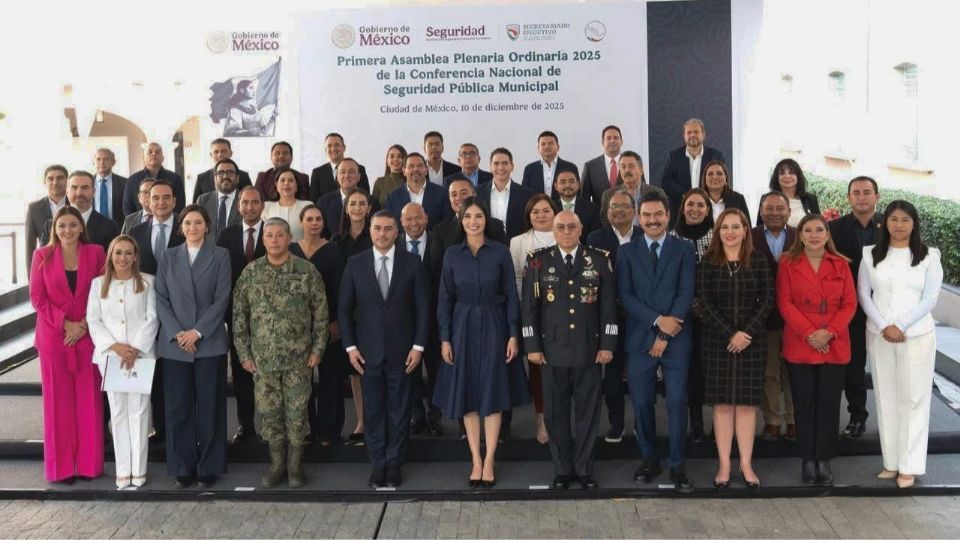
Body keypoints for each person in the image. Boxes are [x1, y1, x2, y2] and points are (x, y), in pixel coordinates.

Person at [434, 197, 531, 488]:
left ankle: (490, 461)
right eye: (467, 217)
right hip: (461, 326)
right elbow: (444, 298)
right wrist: (444, 338)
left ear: (485, 220)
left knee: (493, 391)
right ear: (460, 220)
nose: (473, 221)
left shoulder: (500, 253)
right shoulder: (452, 253)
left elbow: (512, 297)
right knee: (468, 395)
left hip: (495, 323)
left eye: (478, 216)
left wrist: (514, 334)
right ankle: (475, 459)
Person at [521, 210, 617, 490]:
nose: (565, 231)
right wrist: (532, 346)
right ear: (553, 229)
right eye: (560, 227)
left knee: (588, 413)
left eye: (570, 227)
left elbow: (608, 307)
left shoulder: (599, 260)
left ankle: (585, 469)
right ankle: (562, 469)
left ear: (580, 229)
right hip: (551, 351)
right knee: (555, 413)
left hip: (589, 350)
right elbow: (529, 309)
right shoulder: (537, 261)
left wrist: (607, 345)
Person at [233, 217, 328, 488]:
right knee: (270, 414)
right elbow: (240, 317)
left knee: (297, 415)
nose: (274, 240)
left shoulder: (306, 271)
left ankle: (295, 466)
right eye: (269, 235)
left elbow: (320, 315)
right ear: (263, 240)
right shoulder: (251, 273)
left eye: (279, 235)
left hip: (299, 359)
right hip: (263, 361)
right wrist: (244, 354)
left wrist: (317, 349)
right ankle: (276, 465)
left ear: (289, 239)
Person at [339, 210, 430, 488]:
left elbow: (424, 309)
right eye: (377, 228)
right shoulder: (355, 264)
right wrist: (350, 347)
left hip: (404, 353)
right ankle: (378, 463)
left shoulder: (412, 263)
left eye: (388, 229)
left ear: (396, 232)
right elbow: (343, 309)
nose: (382, 233)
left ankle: (394, 462)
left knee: (399, 410)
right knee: (374, 411)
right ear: (370, 231)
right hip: (367, 354)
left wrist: (418, 346)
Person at [858, 200, 942, 489]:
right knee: (885, 397)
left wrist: (901, 325)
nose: (899, 225)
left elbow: (930, 298)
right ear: (885, 223)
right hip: (880, 335)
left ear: (914, 223)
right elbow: (864, 295)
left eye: (905, 219)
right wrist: (885, 326)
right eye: (894, 219)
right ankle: (891, 462)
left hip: (916, 336)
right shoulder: (870, 254)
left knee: (914, 399)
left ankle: (910, 465)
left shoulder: (930, 256)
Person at [617, 191, 697, 492]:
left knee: (677, 402)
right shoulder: (626, 252)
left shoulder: (684, 249)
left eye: (658, 215)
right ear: (639, 217)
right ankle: (650, 458)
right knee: (641, 402)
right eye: (646, 215)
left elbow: (686, 292)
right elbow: (625, 296)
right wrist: (655, 323)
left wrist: (665, 332)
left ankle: (677, 463)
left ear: (667, 215)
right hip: (640, 338)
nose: (652, 220)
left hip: (676, 338)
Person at [153, 205, 231, 489]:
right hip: (175, 345)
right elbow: (160, 298)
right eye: (188, 223)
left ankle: (208, 465)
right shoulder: (168, 256)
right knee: (178, 408)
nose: (193, 227)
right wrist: (178, 333)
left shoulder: (220, 255)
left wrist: (197, 332)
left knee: (210, 407)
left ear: (207, 226)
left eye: (198, 222)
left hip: (208, 342)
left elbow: (222, 298)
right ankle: (183, 466)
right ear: (180, 227)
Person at [696, 209, 773, 490]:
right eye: (724, 227)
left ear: (745, 230)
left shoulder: (759, 261)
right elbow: (703, 303)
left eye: (736, 226)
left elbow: (767, 300)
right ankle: (725, 465)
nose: (730, 232)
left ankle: (746, 464)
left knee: (746, 405)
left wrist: (746, 333)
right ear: (718, 232)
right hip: (718, 342)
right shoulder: (707, 262)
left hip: (752, 343)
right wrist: (730, 333)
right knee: (723, 405)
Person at [777, 214, 856, 485]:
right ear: (799, 235)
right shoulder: (787, 263)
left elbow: (850, 304)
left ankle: (823, 458)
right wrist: (810, 333)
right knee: (805, 403)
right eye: (807, 230)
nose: (813, 235)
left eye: (819, 230)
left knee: (829, 404)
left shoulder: (841, 265)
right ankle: (807, 459)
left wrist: (828, 333)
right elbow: (785, 303)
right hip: (802, 341)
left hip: (834, 343)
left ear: (827, 235)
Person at [29, 206, 107, 484]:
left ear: (81, 227)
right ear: (54, 229)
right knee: (57, 404)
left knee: (89, 401)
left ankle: (88, 465)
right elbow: (37, 297)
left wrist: (83, 324)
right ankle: (60, 468)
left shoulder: (96, 252)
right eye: (62, 226)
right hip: (54, 338)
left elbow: (103, 291)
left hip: (88, 335)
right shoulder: (42, 256)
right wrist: (66, 324)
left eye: (73, 225)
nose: (67, 230)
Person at [86, 235, 158, 489]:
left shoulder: (148, 282)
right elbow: (93, 320)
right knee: (117, 413)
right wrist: (116, 347)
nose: (123, 258)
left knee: (139, 412)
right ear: (110, 255)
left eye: (128, 253)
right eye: (118, 253)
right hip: (111, 358)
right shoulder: (97, 285)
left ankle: (139, 471)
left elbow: (152, 319)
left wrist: (135, 348)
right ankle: (123, 470)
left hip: (140, 357)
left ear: (136, 256)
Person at [829, 175, 883, 439]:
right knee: (853, 366)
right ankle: (857, 416)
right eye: (856, 192)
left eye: (867, 192)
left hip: (885, 308)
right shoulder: (834, 228)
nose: (862, 197)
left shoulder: (890, 226)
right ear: (849, 197)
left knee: (886, 366)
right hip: (847, 308)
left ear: (877, 196)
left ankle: (891, 419)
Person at [586, 189, 641, 444]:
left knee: (642, 374)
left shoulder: (644, 235)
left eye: (623, 206)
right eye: (613, 207)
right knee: (613, 374)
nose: (618, 210)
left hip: (641, 316)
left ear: (634, 211)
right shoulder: (595, 237)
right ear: (607, 213)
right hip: (608, 316)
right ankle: (616, 424)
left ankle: (643, 423)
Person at [288, 205, 344, 446]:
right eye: (309, 219)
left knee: (331, 378)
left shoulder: (334, 250)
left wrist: (336, 322)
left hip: (327, 324)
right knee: (301, 380)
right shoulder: (291, 250)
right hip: (297, 326)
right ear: (301, 223)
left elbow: (341, 289)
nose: (314, 223)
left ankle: (329, 432)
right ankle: (306, 429)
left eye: (318, 219)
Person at [216, 186, 267, 444]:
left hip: (268, 316)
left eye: (254, 202)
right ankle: (246, 425)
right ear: (238, 206)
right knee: (241, 370)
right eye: (244, 203)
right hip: (235, 315)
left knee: (267, 373)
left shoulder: (273, 232)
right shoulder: (226, 235)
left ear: (262, 205)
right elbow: (221, 276)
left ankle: (271, 427)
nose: (249, 207)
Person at [508, 194, 558, 444]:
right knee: (537, 368)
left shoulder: (566, 232)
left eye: (546, 210)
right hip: (532, 315)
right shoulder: (518, 242)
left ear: (555, 212)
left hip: (562, 316)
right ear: (528, 215)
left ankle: (559, 417)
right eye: (535, 211)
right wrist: (526, 308)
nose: (540, 215)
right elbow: (517, 279)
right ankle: (541, 417)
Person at [670, 187, 715, 443]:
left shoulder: (718, 236)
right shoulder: (672, 237)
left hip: (711, 315)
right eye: (690, 205)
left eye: (700, 205)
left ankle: (716, 424)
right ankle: (693, 423)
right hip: (681, 315)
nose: (695, 209)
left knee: (707, 369)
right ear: (683, 208)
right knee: (687, 371)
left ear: (708, 210)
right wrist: (688, 305)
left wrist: (704, 306)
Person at [752, 192, 796, 441]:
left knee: (793, 371)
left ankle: (793, 419)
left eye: (780, 209)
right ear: (760, 211)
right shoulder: (751, 235)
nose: (775, 213)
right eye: (769, 209)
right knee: (769, 372)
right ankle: (772, 420)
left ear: (789, 211)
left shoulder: (800, 236)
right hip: (764, 317)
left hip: (796, 319)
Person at [398, 203, 444, 437]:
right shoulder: (393, 245)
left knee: (436, 370)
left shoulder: (441, 241)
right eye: (409, 219)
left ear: (426, 218)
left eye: (418, 218)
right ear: (401, 221)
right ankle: (417, 416)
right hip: (405, 322)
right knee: (410, 372)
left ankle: (435, 417)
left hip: (435, 321)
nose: (414, 223)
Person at [332, 188, 374, 445]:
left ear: (369, 208)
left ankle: (378, 419)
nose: (357, 208)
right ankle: (361, 420)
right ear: (346, 209)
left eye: (362, 203)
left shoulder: (377, 235)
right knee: (356, 371)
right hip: (349, 312)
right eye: (353, 204)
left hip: (374, 312)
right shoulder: (337, 241)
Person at [659, 119, 725, 221]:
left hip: (708, 211)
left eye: (696, 132)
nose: (692, 135)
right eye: (689, 132)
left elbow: (723, 181)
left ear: (703, 135)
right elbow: (666, 181)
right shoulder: (673, 156)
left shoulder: (716, 156)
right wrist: (688, 195)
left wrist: (703, 197)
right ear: (684, 136)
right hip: (680, 212)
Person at [41, 171, 120, 253]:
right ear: (67, 192)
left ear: (94, 192)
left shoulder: (110, 227)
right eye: (74, 187)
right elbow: (44, 260)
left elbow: (110, 263)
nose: (79, 193)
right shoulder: (50, 226)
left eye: (85, 188)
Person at [477, 147, 533, 239]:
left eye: (505, 163)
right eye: (496, 163)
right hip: (486, 246)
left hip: (516, 246)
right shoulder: (478, 192)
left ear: (512, 166)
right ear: (490, 167)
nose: (500, 167)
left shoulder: (526, 194)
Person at [599, 151, 665, 227]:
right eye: (623, 167)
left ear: (641, 170)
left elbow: (663, 221)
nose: (627, 170)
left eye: (631, 166)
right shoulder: (609, 195)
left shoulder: (657, 192)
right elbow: (605, 223)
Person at [318, 158, 380, 238]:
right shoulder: (324, 202)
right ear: (337, 176)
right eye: (342, 172)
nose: (346, 176)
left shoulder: (372, 202)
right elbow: (321, 234)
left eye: (351, 172)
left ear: (359, 176)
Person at [122, 142, 186, 215]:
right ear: (143, 157)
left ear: (163, 158)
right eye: (150, 152)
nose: (153, 154)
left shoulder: (175, 178)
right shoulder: (132, 180)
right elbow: (128, 208)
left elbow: (180, 206)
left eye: (157, 152)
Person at [385, 153, 447, 228]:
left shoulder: (442, 193)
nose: (416, 169)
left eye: (420, 166)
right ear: (404, 171)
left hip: (434, 239)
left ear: (426, 170)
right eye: (411, 166)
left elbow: (446, 224)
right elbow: (390, 226)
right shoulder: (392, 198)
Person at [26, 165, 68, 267]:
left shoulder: (76, 205)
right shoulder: (34, 208)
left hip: (74, 264)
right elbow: (30, 245)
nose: (55, 182)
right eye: (50, 179)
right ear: (44, 182)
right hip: (46, 264)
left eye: (60, 178)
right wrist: (31, 277)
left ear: (67, 181)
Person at [309, 132, 371, 200]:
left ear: (344, 148)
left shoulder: (359, 169)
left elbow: (366, 196)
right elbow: (314, 200)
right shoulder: (317, 173)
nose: (333, 148)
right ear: (325, 150)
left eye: (337, 145)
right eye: (329, 146)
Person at [521, 130, 579, 198]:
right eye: (543, 144)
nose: (547, 146)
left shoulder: (570, 167)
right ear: (538, 148)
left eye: (551, 143)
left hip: (563, 208)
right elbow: (524, 194)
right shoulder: (529, 169)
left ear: (558, 147)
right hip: (538, 208)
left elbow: (577, 194)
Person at [579, 125, 623, 214]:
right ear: (602, 142)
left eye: (616, 138)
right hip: (599, 221)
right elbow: (584, 199)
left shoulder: (633, 164)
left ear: (621, 141)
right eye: (608, 138)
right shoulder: (590, 167)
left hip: (627, 220)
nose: (612, 141)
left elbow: (641, 192)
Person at [196, 158, 243, 241]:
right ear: (215, 178)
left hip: (236, 251)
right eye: (221, 173)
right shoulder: (203, 200)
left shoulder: (245, 200)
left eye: (230, 173)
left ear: (237, 178)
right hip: (208, 250)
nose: (225, 176)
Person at [765, 159, 819, 227]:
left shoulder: (811, 199)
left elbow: (818, 226)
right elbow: (760, 229)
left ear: (798, 176)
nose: (787, 176)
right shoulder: (767, 199)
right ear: (777, 178)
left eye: (791, 172)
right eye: (782, 173)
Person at [262, 167, 313, 242]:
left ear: (296, 186)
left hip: (301, 252)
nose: (286, 183)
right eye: (282, 180)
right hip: (274, 251)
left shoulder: (307, 206)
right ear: (276, 185)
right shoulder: (267, 207)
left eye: (291, 180)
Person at [554, 169, 599, 242]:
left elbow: (594, 237)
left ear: (578, 185)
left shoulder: (591, 208)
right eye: (563, 182)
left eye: (571, 181)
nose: (567, 185)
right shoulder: (550, 208)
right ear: (556, 186)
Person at [93, 148, 128, 226]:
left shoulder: (125, 183)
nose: (102, 162)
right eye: (98, 159)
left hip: (117, 229)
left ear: (113, 162)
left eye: (106, 159)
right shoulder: (87, 183)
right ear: (93, 162)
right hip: (92, 229)